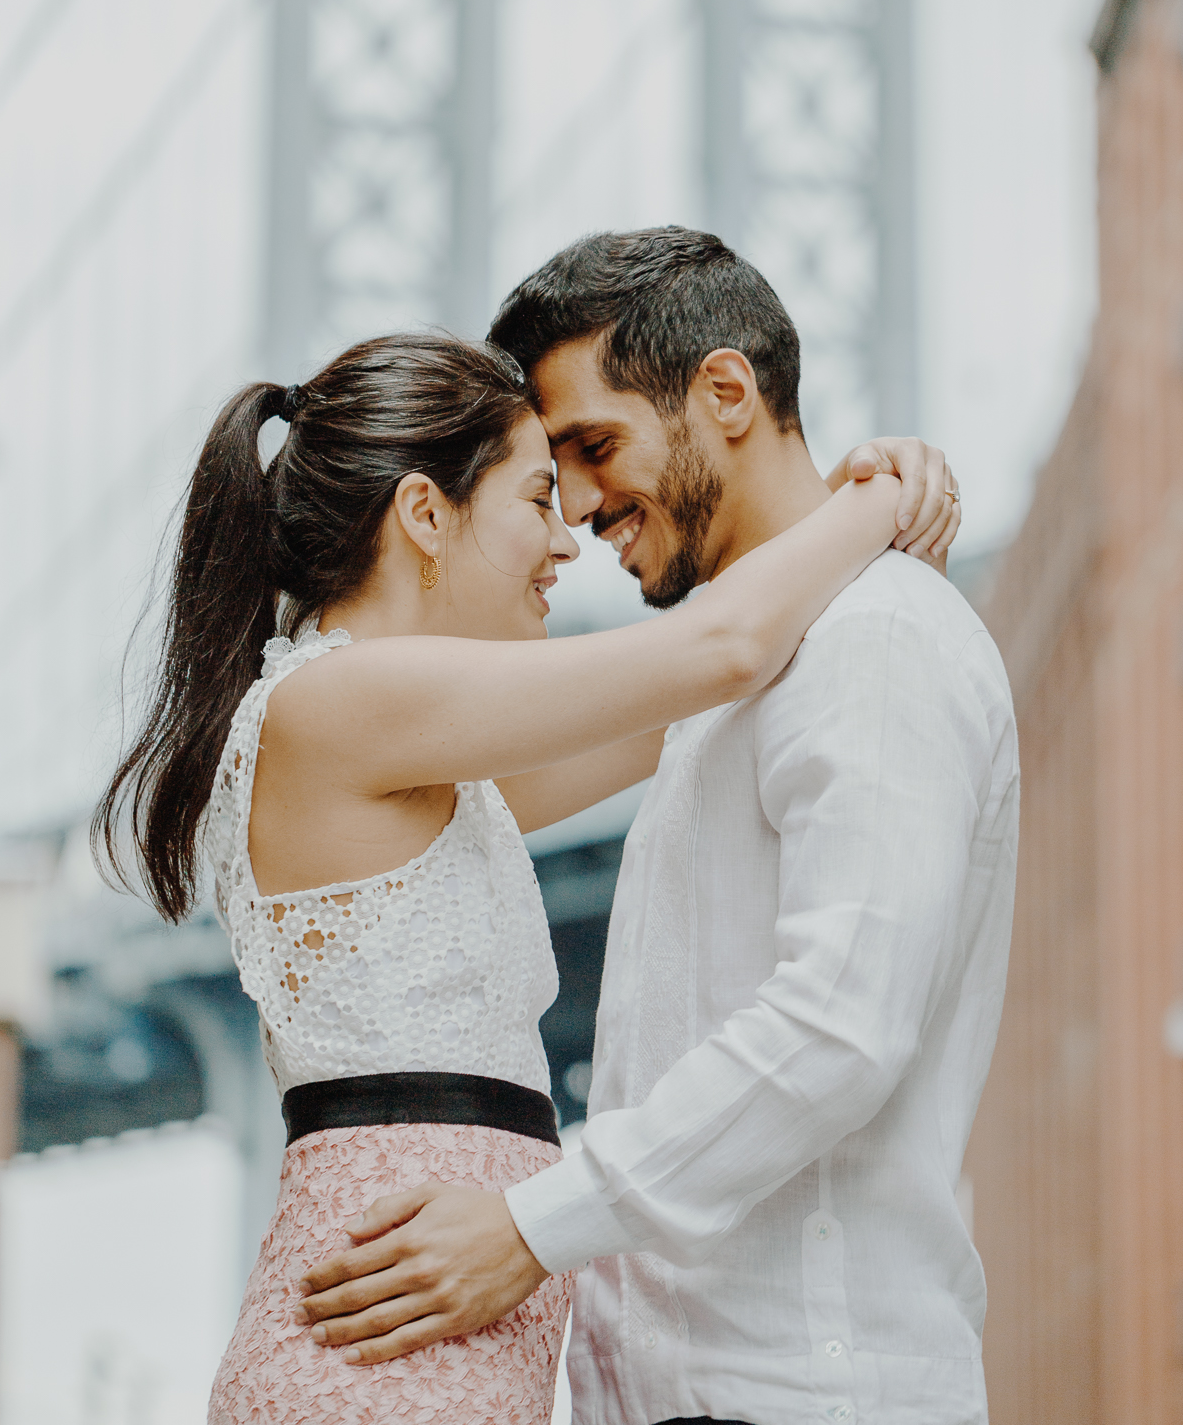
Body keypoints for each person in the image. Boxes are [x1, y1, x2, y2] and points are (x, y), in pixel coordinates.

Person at [93, 326, 947, 1425]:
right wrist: (881, 496)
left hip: (433, 1338)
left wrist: (818, 524)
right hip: (382, 1358)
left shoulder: (427, 759)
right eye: (539, 498)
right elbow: (719, 649)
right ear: (423, 513)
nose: (568, 542)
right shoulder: (345, 701)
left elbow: (693, 704)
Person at [295, 228, 1017, 1425]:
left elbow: (841, 1023)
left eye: (591, 445)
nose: (577, 508)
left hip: (802, 1388)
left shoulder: (873, 641)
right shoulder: (718, 686)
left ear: (725, 392)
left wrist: (534, 1224)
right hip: (675, 1395)